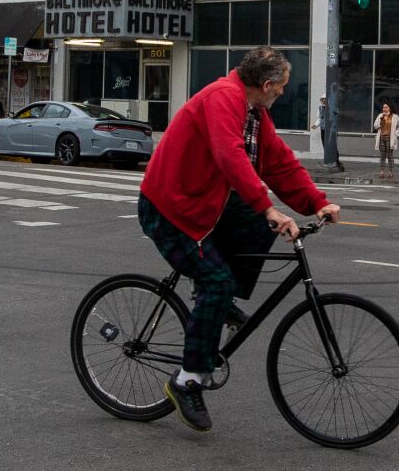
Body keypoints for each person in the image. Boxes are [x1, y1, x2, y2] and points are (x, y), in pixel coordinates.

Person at [137, 46, 341, 434]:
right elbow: (230, 156)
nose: (282, 93)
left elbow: (279, 162)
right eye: (280, 87)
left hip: (206, 202)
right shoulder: (223, 98)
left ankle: (218, 302)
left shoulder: (255, 113)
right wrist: (269, 208)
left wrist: (317, 202)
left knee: (251, 231)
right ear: (265, 85)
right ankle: (187, 381)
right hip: (169, 207)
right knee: (218, 280)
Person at [373, 102, 399, 177]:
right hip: (381, 137)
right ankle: (382, 172)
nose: (384, 109)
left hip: (390, 138)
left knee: (390, 155)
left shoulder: (395, 116)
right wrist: (381, 123)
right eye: (383, 107)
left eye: (386, 107)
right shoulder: (380, 115)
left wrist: (396, 134)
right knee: (382, 155)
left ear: (390, 108)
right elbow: (375, 126)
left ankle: (390, 172)